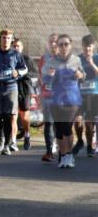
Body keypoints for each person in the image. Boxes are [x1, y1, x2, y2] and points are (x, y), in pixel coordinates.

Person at [42, 34, 85, 168]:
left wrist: (81, 75)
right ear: (57, 47)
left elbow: (83, 76)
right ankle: (63, 155)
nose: (63, 47)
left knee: (66, 127)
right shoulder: (51, 62)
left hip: (72, 99)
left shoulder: (76, 60)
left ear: (70, 45)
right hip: (56, 100)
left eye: (66, 44)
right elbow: (45, 81)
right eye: (61, 44)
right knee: (59, 130)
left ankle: (69, 155)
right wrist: (49, 76)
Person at [0, 30, 27, 154]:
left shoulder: (16, 54)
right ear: (0, 39)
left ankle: (7, 144)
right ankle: (0, 137)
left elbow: (25, 69)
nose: (5, 40)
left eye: (8, 38)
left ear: (11, 40)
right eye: (3, 38)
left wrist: (18, 72)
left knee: (8, 116)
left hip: (11, 87)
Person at [75, 34, 98, 157]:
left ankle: (89, 146)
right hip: (79, 95)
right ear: (82, 46)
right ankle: (79, 141)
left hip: (93, 95)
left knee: (89, 124)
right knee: (77, 121)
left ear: (93, 46)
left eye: (89, 47)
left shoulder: (97, 57)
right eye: (85, 47)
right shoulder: (77, 59)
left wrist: (92, 63)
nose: (87, 50)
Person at [12, 37, 37, 150]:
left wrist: (21, 74)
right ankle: (13, 142)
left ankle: (27, 135)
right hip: (11, 89)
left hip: (24, 89)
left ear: (22, 48)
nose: (16, 48)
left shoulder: (27, 59)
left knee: (24, 116)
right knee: (13, 116)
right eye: (14, 46)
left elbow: (34, 73)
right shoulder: (9, 59)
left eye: (18, 46)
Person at [39, 33, 59, 162]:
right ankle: (49, 151)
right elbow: (40, 75)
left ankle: (61, 148)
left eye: (55, 42)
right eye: (51, 42)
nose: (53, 44)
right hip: (47, 95)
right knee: (49, 123)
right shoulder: (44, 58)